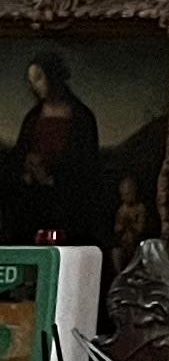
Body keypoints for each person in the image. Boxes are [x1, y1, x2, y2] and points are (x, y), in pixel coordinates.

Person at [15, 53, 105, 244]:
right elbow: (20, 154)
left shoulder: (81, 117)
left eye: (39, 78)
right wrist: (28, 166)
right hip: (34, 199)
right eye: (32, 81)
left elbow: (87, 164)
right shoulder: (33, 117)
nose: (35, 86)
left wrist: (51, 176)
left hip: (68, 202)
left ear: (53, 76)